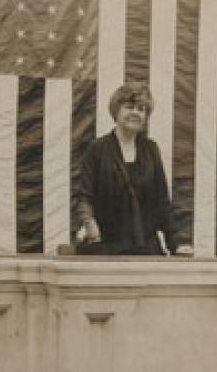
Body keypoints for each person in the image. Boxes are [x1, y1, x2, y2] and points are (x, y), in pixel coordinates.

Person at [76, 82, 177, 255]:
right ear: (116, 111)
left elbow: (162, 201)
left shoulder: (151, 149)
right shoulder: (97, 149)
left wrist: (175, 244)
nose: (136, 113)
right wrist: (89, 222)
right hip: (107, 247)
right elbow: (85, 197)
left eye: (141, 108)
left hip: (146, 247)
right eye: (129, 107)